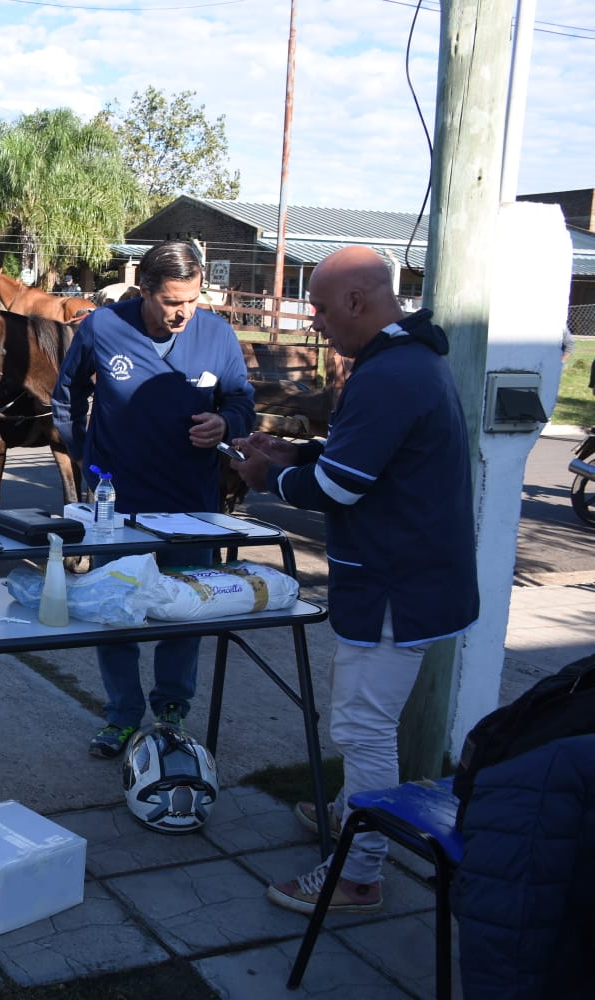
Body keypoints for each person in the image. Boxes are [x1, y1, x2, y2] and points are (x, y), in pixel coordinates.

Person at [231, 245, 478, 914]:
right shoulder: (408, 361)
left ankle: (359, 872)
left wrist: (266, 475)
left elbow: (340, 486)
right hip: (410, 578)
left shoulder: (389, 375)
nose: (313, 321)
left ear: (357, 303)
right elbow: (363, 460)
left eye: (317, 307)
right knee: (363, 716)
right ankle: (349, 814)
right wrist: (296, 452)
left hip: (397, 585)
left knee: (363, 728)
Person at [52, 241, 255, 759]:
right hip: (117, 505)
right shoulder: (103, 327)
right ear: (144, 289)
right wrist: (86, 456)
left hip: (192, 504)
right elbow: (67, 393)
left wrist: (226, 422)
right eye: (171, 301)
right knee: (115, 609)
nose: (183, 312)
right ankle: (121, 715)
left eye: (192, 299)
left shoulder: (217, 333)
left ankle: (171, 712)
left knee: (184, 612)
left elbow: (240, 400)